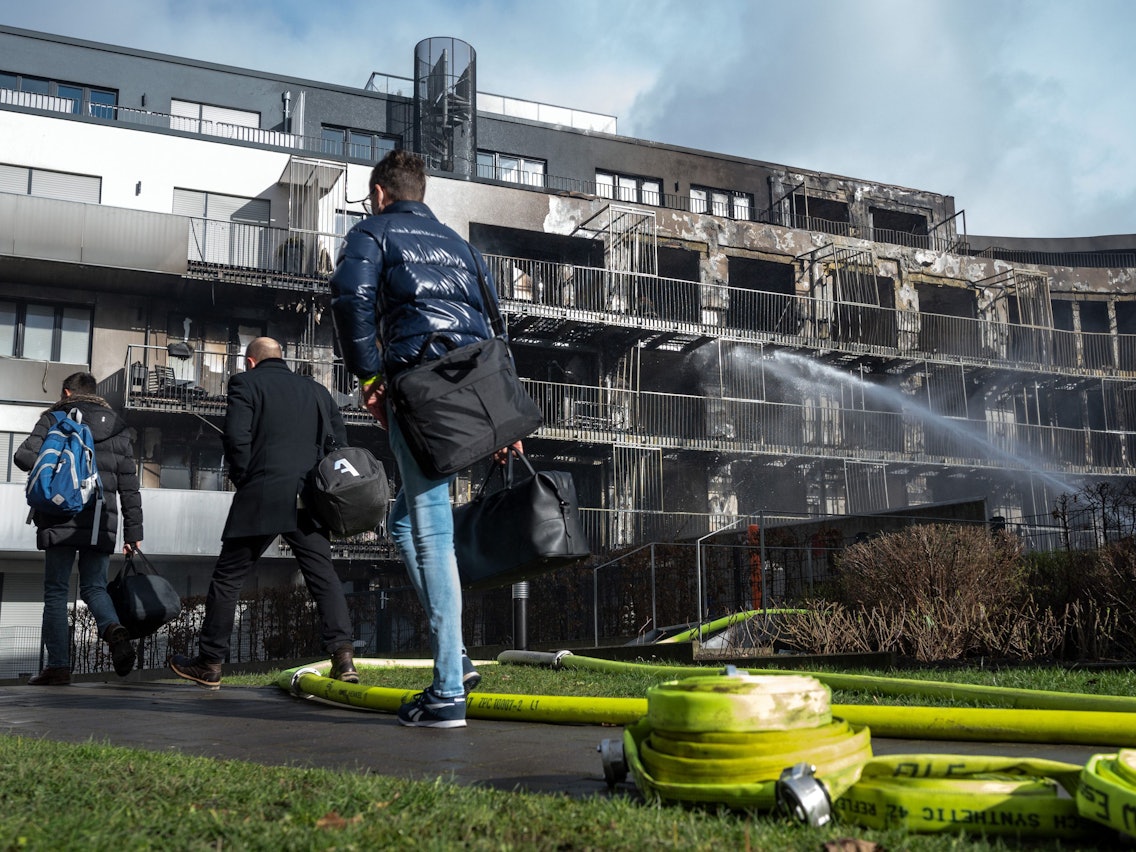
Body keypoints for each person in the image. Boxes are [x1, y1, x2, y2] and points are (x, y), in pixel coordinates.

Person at [330, 149, 503, 728]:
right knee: (407, 520)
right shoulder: (462, 246)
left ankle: (449, 690)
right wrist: (508, 421)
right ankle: (456, 660)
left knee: (430, 531)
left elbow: (349, 301)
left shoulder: (372, 233)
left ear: (380, 192)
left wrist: (371, 377)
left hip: (421, 389)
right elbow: (496, 325)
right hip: (475, 392)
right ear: (419, 193)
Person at [169, 337, 358, 689]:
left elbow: (236, 437)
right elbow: (340, 446)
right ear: (280, 358)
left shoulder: (245, 383)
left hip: (264, 492)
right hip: (311, 496)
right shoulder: (317, 391)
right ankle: (343, 657)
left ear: (250, 362)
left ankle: (210, 663)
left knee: (228, 578)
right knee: (323, 577)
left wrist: (246, 480)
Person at [14, 371, 143, 685]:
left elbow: (23, 456)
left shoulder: (56, 416)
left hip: (59, 512)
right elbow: (129, 485)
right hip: (100, 518)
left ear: (66, 393)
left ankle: (58, 667)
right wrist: (133, 534)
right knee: (94, 588)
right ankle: (113, 629)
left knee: (56, 592)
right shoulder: (119, 427)